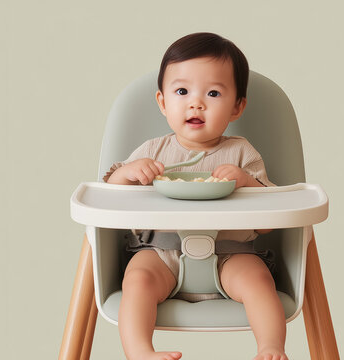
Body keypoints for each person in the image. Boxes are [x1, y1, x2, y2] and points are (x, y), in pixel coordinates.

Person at [105, 32, 288, 360]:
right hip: (161, 251)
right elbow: (110, 199)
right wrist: (128, 174)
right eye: (182, 91)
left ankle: (270, 348)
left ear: (237, 107)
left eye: (214, 93)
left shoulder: (242, 153)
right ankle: (140, 352)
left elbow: (268, 223)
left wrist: (246, 182)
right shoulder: (152, 151)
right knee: (137, 278)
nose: (196, 103)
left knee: (259, 280)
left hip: (230, 254)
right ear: (163, 102)